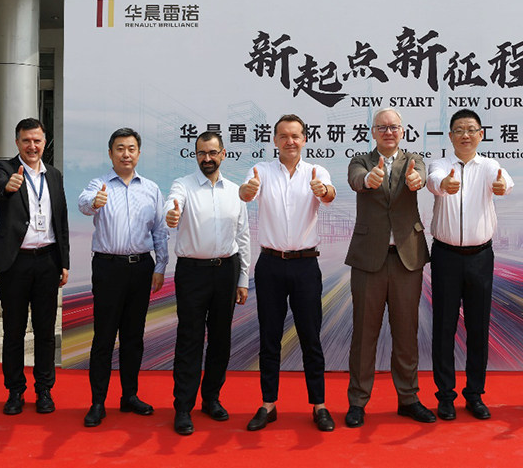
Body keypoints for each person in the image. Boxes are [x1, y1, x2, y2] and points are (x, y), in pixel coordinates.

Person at [239, 114, 336, 432]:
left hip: (306, 265)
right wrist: (249, 189)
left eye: (295, 136)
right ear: (275, 140)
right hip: (270, 265)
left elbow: (329, 195)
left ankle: (319, 405)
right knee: (269, 337)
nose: (289, 141)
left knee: (311, 337)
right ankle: (268, 404)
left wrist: (323, 189)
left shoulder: (316, 171)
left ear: (304, 139)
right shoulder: (261, 171)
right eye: (283, 136)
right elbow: (246, 194)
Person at [345, 107, 434, 427]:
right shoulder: (360, 161)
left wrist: (416, 180)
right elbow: (357, 180)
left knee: (406, 332)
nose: (388, 132)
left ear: (402, 131)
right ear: (373, 132)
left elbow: (419, 177)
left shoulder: (414, 159)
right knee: (364, 333)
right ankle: (357, 401)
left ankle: (408, 398)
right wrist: (369, 179)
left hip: (406, 259)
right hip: (368, 259)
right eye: (382, 127)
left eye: (394, 127)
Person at [77, 128, 169, 427]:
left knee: (133, 337)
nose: (126, 154)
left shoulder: (151, 189)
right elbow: (83, 203)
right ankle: (97, 402)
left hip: (141, 268)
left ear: (138, 153)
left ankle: (129, 395)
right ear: (110, 153)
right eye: (120, 148)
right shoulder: (99, 184)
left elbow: (159, 230)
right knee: (104, 337)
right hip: (108, 268)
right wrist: (96, 201)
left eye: (131, 148)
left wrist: (160, 266)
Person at [425, 109, 513, 421]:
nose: (465, 135)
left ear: (480, 135)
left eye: (471, 129)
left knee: (478, 327)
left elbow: (504, 182)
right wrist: (444, 185)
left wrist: (502, 187)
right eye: (459, 130)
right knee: (444, 327)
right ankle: (445, 396)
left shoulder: (489, 166)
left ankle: (474, 394)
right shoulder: (440, 165)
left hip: (480, 258)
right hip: (446, 257)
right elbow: (433, 182)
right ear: (450, 136)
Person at [166, 131, 250, 435]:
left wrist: (243, 278)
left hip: (226, 271)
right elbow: (172, 204)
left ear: (223, 154)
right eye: (202, 153)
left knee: (220, 339)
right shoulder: (183, 185)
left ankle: (211, 398)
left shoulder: (235, 191)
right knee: (189, 339)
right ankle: (183, 407)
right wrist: (171, 214)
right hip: (192, 272)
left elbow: (243, 236)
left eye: (213, 152)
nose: (207, 158)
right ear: (195, 155)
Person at [0, 118, 69, 416]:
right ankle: (15, 391)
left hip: (47, 261)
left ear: (44, 142)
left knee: (45, 331)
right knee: (14, 330)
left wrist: (64, 262)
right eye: (26, 140)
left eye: (37, 140)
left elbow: (61, 220)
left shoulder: (55, 175)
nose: (32, 146)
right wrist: (8, 187)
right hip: (15, 263)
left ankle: (44, 390)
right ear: (17, 142)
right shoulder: (4, 169)